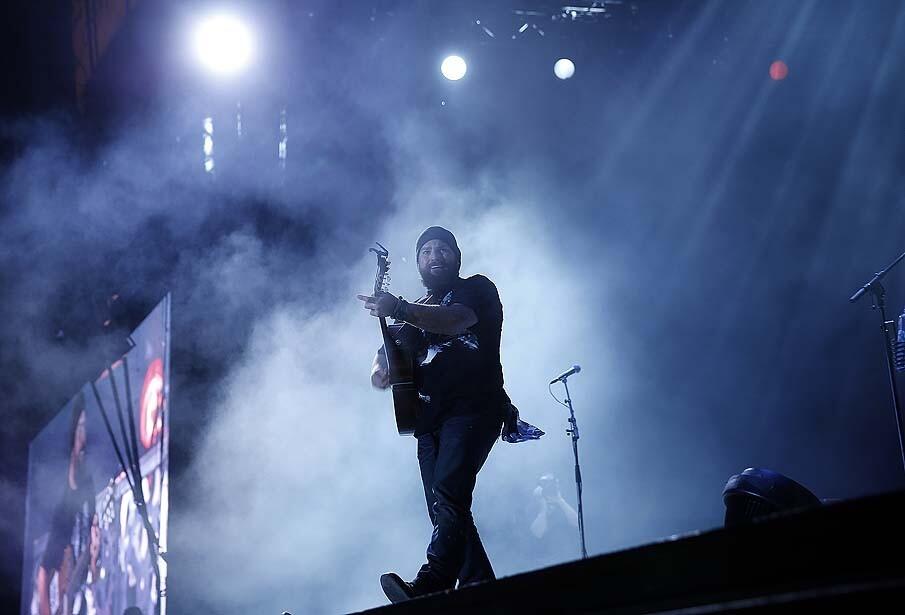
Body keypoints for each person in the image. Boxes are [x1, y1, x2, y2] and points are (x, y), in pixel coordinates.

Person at [358, 226, 507, 603]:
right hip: (429, 420)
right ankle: (480, 589)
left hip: (474, 407)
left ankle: (433, 582)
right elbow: (391, 348)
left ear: (456, 257)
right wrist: (380, 368)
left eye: (443, 248)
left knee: (448, 493)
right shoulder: (417, 308)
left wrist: (401, 308)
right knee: (444, 508)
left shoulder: (477, 289)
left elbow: (455, 320)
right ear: (419, 263)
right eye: (426, 250)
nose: (435, 255)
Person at [35, 392, 99, 615]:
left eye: (86, 428)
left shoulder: (90, 487)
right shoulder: (63, 514)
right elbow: (43, 574)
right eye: (80, 427)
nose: (84, 435)